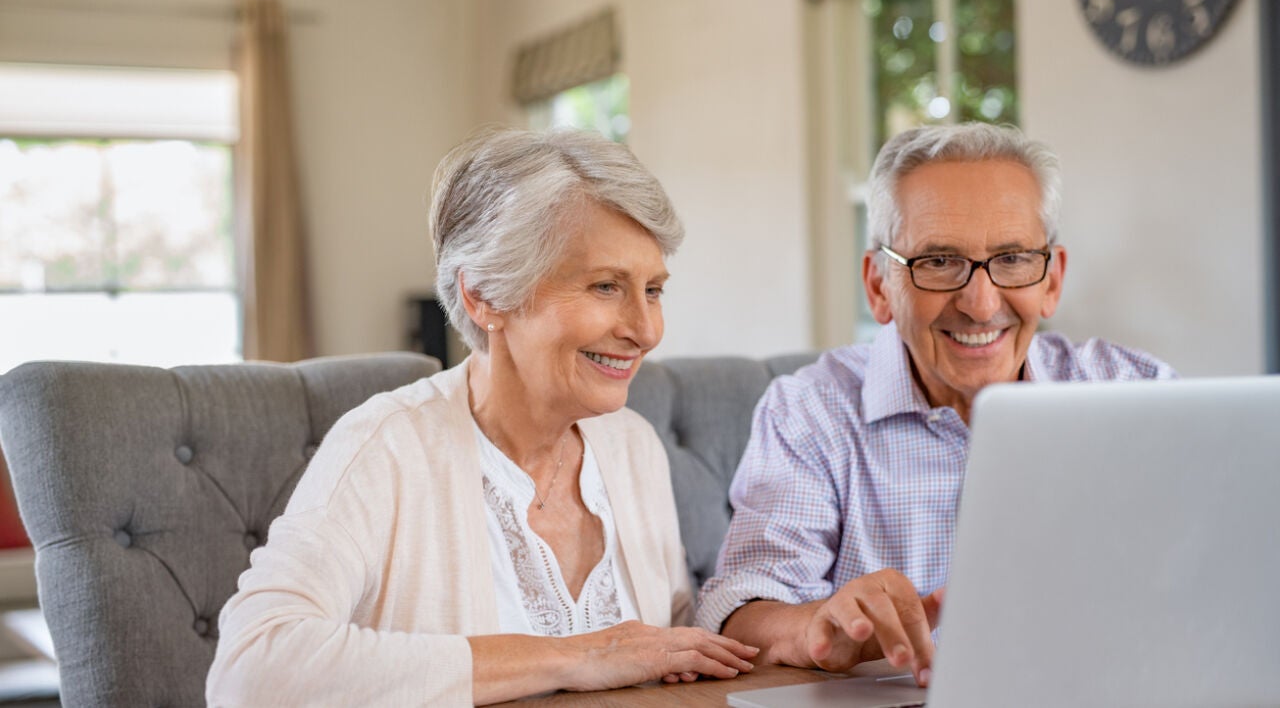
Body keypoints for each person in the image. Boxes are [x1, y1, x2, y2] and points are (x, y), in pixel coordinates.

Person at [207, 127, 757, 706]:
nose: (644, 331)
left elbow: (664, 651)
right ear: (484, 297)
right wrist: (578, 657)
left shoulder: (631, 445)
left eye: (653, 290)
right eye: (605, 286)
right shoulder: (386, 447)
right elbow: (250, 671)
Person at [695, 122, 1175, 688]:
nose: (980, 302)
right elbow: (743, 606)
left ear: (1052, 279)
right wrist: (815, 631)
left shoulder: (1136, 389)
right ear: (878, 286)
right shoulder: (810, 411)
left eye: (1014, 258)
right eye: (939, 261)